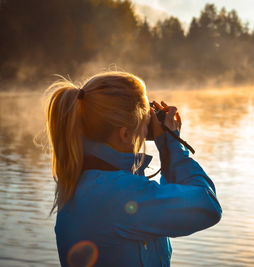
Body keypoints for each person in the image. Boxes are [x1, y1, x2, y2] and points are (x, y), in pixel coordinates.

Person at [44, 71, 222, 266]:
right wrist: (170, 143)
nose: (149, 124)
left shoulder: (84, 181)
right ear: (125, 133)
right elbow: (207, 206)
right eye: (145, 117)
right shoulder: (121, 193)